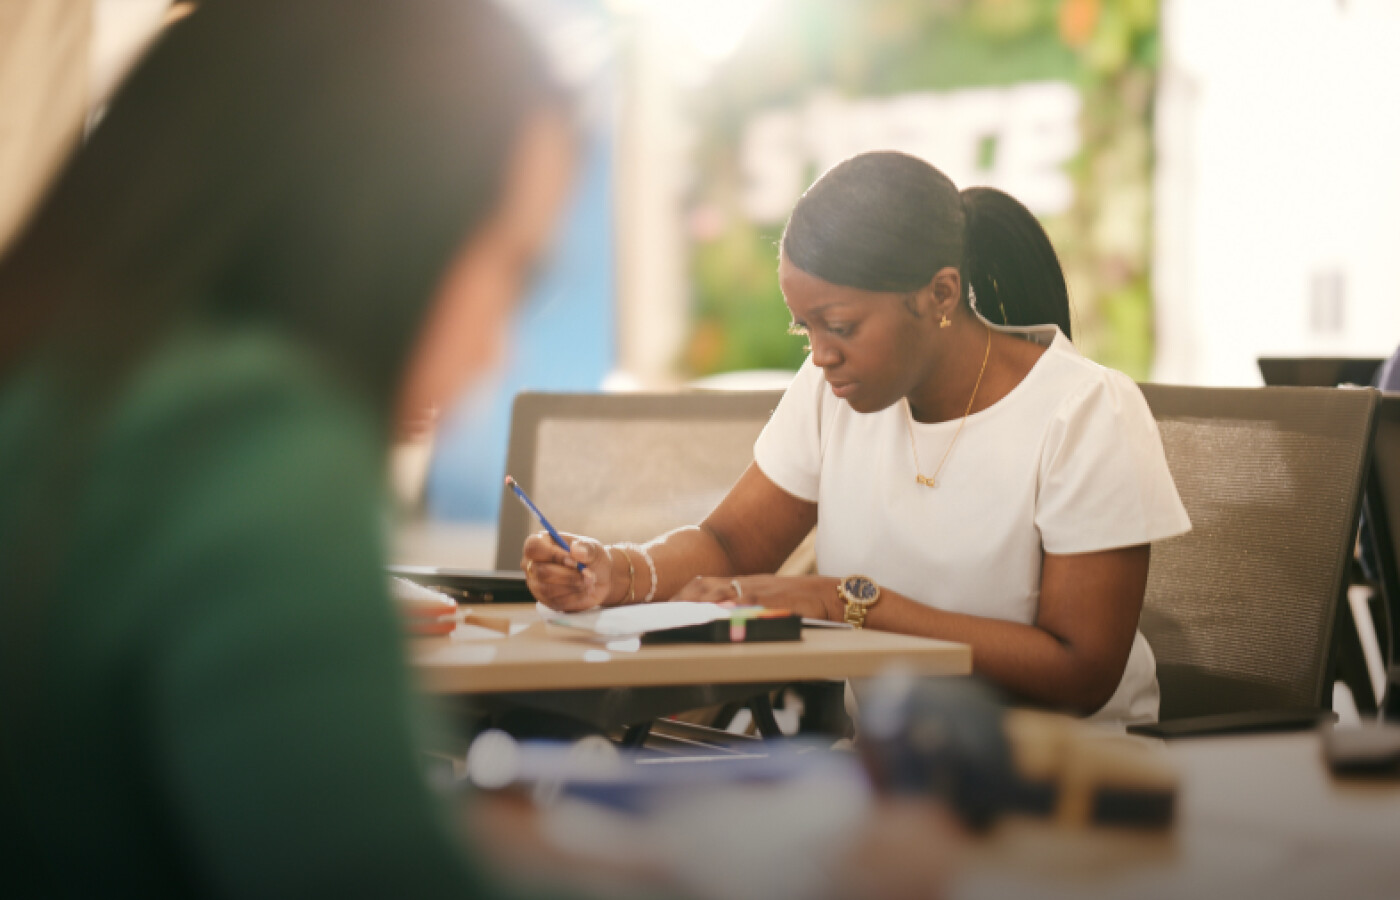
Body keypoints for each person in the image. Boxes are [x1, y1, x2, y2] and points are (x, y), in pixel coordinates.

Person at [0, 1, 577, 894]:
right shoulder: (253, 434)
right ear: (381, 214)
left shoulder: (63, 388)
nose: (501, 345)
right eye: (508, 265)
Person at [525, 151, 1191, 726]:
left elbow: (1080, 673)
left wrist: (844, 602)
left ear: (939, 295)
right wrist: (618, 571)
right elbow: (728, 544)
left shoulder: (1084, 410)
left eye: (838, 325)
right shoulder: (831, 395)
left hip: (1064, 789)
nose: (819, 355)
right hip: (891, 779)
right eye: (803, 329)